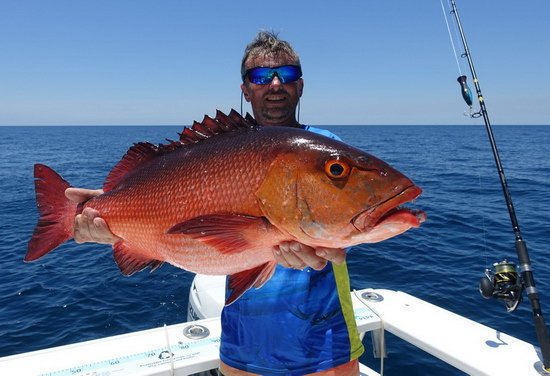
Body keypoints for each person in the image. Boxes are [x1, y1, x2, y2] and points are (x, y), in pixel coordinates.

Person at [66, 31, 364, 376]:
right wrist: (109, 214)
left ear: (301, 86)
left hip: (326, 347)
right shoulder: (217, 150)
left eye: (288, 74)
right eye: (261, 76)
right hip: (242, 347)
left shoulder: (325, 148)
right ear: (246, 89)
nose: (276, 84)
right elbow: (166, 202)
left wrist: (331, 249)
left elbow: (347, 227)